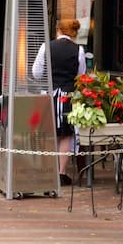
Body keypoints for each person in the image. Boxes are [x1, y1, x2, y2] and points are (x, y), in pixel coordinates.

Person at [32, 18, 86, 186]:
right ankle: (61, 173)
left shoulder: (46, 47)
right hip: (68, 96)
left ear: (58, 30)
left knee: (48, 132)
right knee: (66, 134)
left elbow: (36, 73)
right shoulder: (79, 50)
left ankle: (47, 170)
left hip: (48, 95)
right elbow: (80, 74)